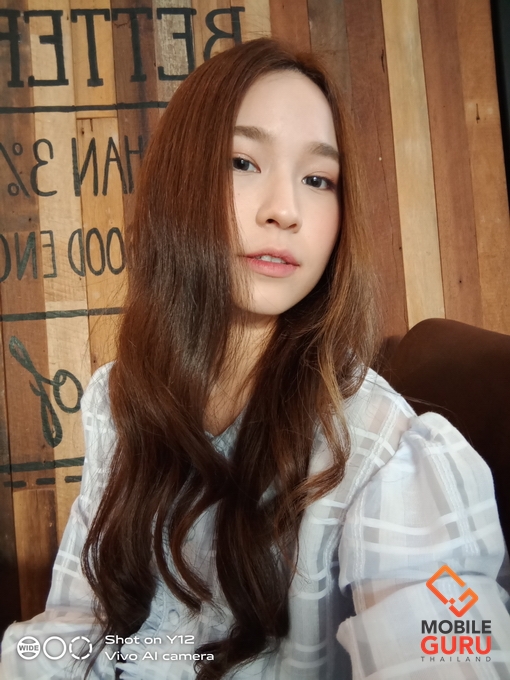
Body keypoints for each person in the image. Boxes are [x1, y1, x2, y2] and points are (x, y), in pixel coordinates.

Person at [1, 37, 509, 680]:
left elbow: (446, 647)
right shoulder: (120, 400)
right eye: (243, 162)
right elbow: (78, 621)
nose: (284, 211)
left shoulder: (381, 452)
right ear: (177, 185)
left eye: (318, 180)